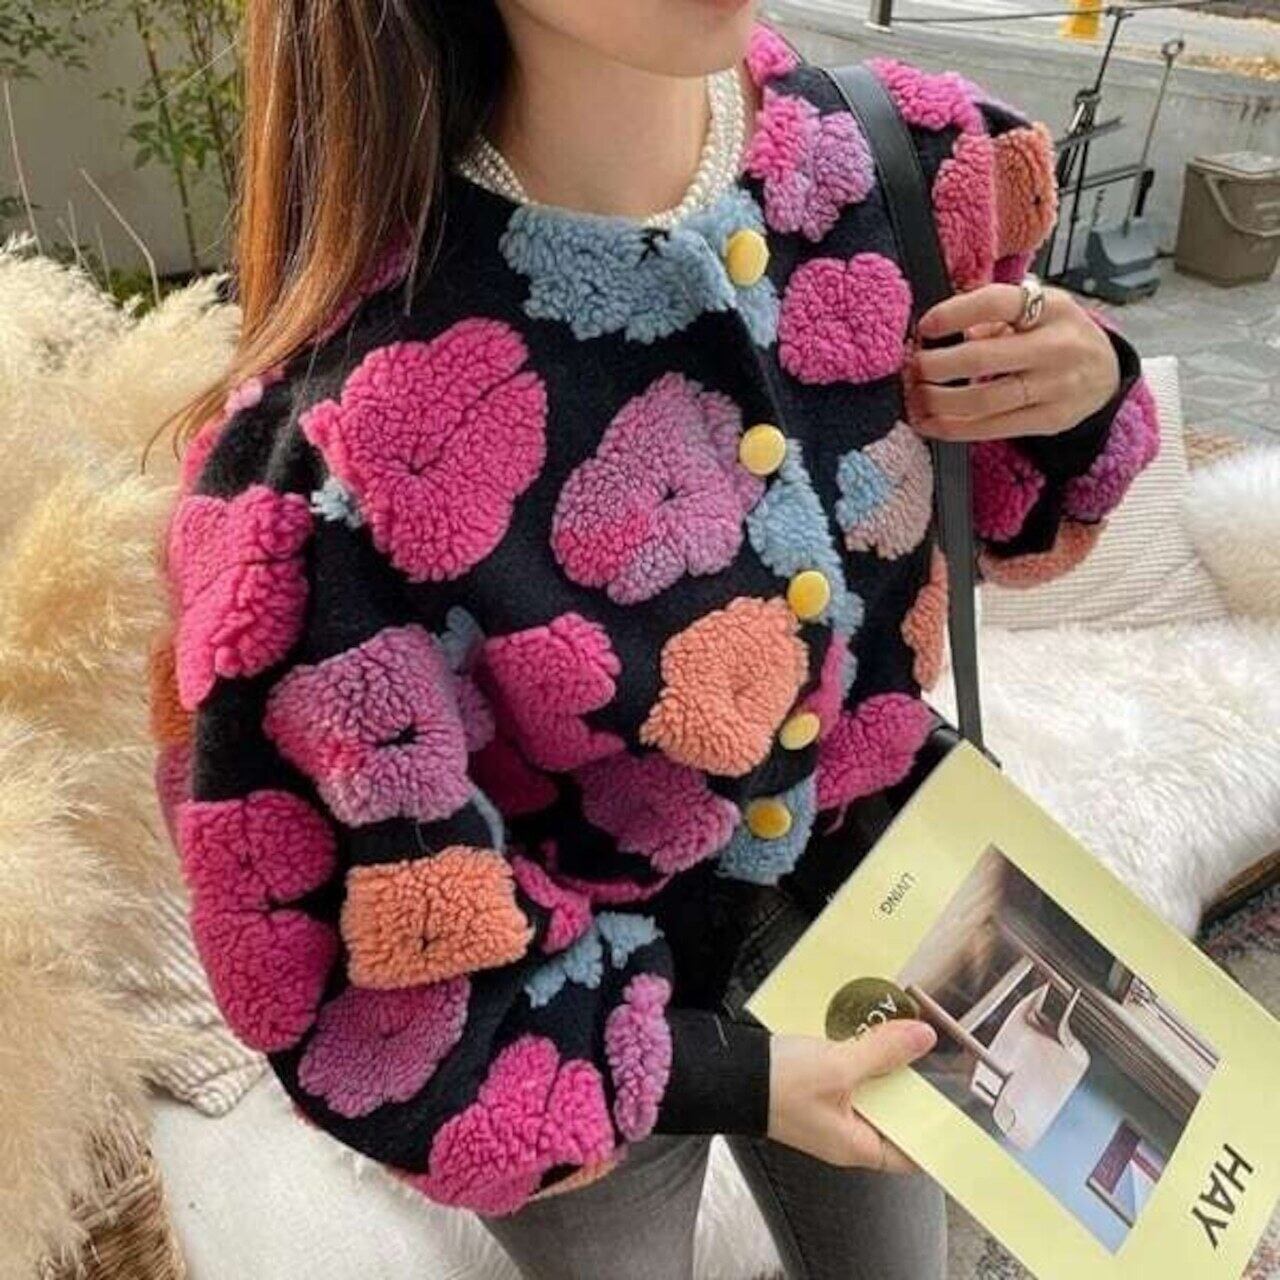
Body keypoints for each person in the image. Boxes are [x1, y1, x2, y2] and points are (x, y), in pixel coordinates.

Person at [149, 3, 1158, 1277]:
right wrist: (726, 1073)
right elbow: (368, 949)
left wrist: (1080, 389)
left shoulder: (897, 168)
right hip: (561, 1017)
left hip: (880, 890)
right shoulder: (350, 445)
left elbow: (1009, 509)